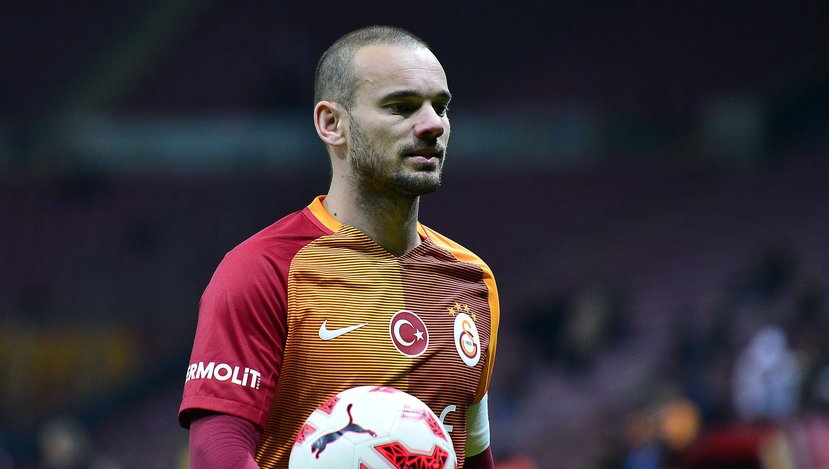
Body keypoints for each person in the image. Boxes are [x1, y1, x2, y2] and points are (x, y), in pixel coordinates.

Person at [178, 25, 500, 468]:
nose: (432, 125)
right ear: (332, 124)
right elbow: (217, 454)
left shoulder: (473, 281)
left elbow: (473, 454)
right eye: (401, 107)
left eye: (440, 107)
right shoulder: (265, 268)